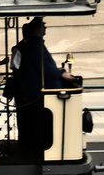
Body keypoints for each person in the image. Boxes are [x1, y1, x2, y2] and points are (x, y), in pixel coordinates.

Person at [12, 17, 68, 154]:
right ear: (37, 29)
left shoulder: (34, 43)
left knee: (38, 120)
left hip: (36, 89)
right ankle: (41, 148)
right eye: (43, 25)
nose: (45, 28)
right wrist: (60, 75)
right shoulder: (35, 43)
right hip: (38, 91)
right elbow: (41, 65)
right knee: (41, 121)